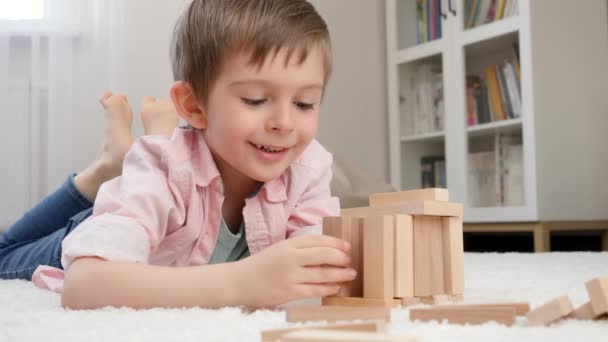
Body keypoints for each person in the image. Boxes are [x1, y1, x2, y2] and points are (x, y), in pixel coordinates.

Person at [0, 0, 356, 310]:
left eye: (305, 103)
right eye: (255, 100)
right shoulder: (166, 169)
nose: (284, 122)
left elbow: (318, 269)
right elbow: (84, 284)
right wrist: (241, 282)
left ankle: (123, 160)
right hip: (100, 228)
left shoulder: (308, 166)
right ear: (193, 105)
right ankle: (108, 168)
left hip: (150, 200)